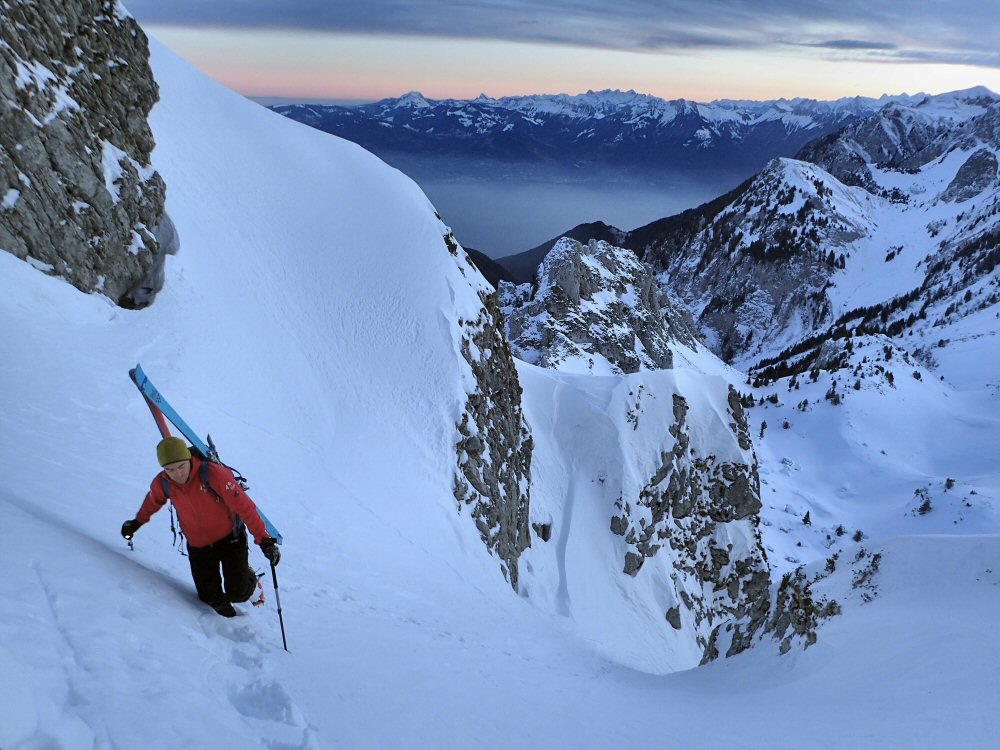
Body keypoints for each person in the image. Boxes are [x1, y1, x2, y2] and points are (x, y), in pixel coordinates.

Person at [121, 436, 281, 617]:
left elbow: (245, 507)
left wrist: (265, 541)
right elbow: (152, 502)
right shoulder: (164, 483)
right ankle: (231, 624)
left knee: (237, 592)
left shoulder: (213, 474)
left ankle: (250, 580)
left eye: (181, 466)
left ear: (189, 459)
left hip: (231, 539)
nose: (177, 473)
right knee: (210, 597)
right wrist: (136, 523)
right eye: (170, 469)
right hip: (199, 547)